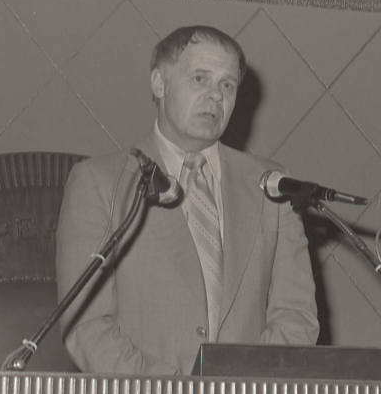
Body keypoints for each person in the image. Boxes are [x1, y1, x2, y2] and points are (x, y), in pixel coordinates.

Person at [56, 25, 319, 375]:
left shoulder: (271, 185)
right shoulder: (100, 183)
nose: (216, 96)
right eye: (200, 79)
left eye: (227, 85)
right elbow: (86, 325)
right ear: (159, 84)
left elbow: (296, 316)